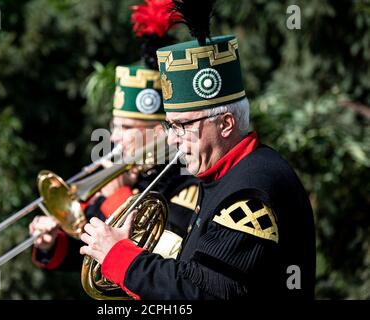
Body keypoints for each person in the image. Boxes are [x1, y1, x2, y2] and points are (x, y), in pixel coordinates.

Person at [79, 1, 316, 300]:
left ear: (226, 123)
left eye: (183, 126)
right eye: (171, 126)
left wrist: (123, 258)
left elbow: (204, 291)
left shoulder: (251, 189)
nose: (174, 139)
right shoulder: (224, 175)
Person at [29, 0, 198, 273]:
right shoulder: (119, 173)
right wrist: (52, 240)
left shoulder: (186, 179)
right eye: (115, 126)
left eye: (128, 128)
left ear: (158, 131)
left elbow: (171, 254)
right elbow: (84, 251)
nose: (116, 137)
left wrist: (119, 196)